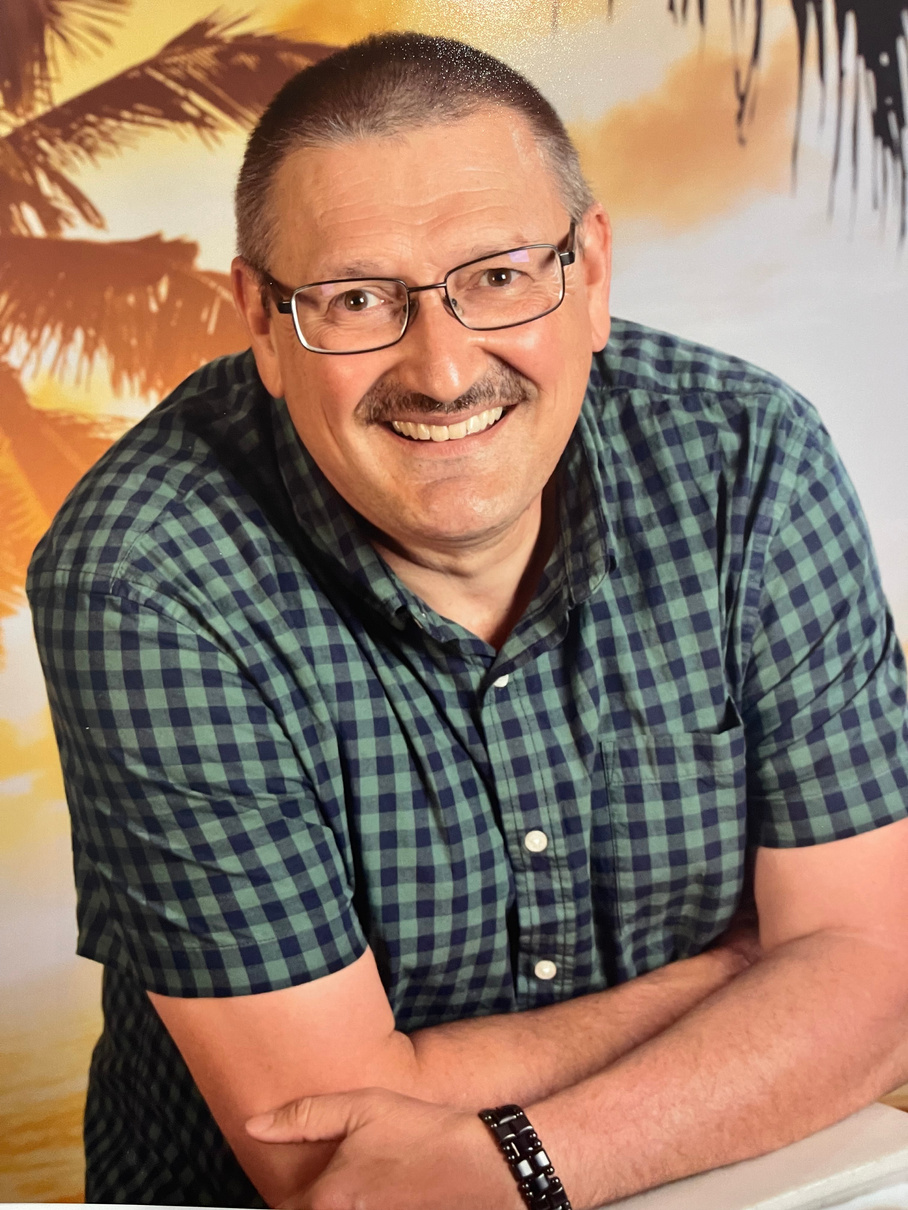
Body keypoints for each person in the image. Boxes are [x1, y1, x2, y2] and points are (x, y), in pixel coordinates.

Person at [27, 30, 908, 1210]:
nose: (442, 371)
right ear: (262, 323)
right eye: (356, 299)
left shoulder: (747, 462)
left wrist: (521, 1158)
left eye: (497, 276)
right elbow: (324, 1151)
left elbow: (882, 982)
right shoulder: (143, 575)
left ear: (591, 273)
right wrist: (759, 979)